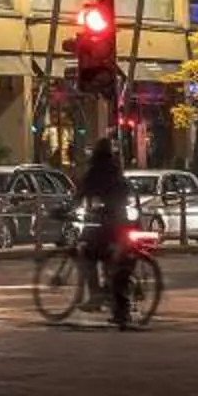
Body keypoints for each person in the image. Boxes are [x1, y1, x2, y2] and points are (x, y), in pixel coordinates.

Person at [77, 136, 133, 321]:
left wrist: (67, 208)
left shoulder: (96, 170)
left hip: (109, 223)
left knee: (87, 253)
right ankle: (115, 301)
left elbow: (82, 192)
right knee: (113, 259)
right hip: (123, 221)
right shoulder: (116, 168)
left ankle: (96, 296)